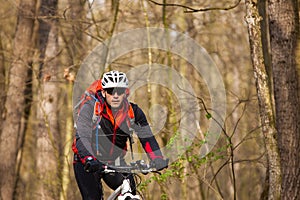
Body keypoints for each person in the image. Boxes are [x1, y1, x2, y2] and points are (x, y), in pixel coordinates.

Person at [72, 70, 168, 199]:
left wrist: (157, 158)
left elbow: (147, 137)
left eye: (120, 91)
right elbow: (82, 137)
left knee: (130, 192)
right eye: (111, 91)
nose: (116, 95)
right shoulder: (91, 109)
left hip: (114, 160)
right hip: (87, 161)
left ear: (125, 93)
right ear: (104, 92)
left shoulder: (133, 112)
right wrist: (89, 159)